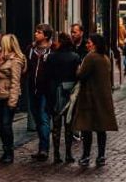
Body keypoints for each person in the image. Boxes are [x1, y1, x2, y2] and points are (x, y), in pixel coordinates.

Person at [73, 34, 118, 166]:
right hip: (103, 97)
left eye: (90, 43)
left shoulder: (91, 57)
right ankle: (101, 155)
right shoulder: (105, 58)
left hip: (90, 97)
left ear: (95, 44)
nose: (87, 45)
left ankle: (86, 156)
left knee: (86, 127)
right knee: (101, 128)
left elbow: (81, 74)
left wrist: (78, 69)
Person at [45, 32, 81, 163]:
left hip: (55, 92)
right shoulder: (75, 57)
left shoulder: (51, 57)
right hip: (70, 92)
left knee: (56, 125)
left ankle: (56, 155)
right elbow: (78, 74)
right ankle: (68, 154)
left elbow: (47, 77)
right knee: (69, 124)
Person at [0, 33, 25, 165]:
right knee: (1, 125)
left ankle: (9, 153)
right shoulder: (1, 58)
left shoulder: (15, 61)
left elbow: (15, 82)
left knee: (6, 125)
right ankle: (5, 150)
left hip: (8, 96)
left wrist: (13, 101)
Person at [26, 23, 54, 161]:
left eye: (39, 32)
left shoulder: (53, 50)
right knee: (37, 118)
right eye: (36, 31)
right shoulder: (30, 49)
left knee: (43, 118)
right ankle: (41, 147)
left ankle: (44, 149)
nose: (35, 34)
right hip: (33, 89)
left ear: (46, 36)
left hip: (46, 90)